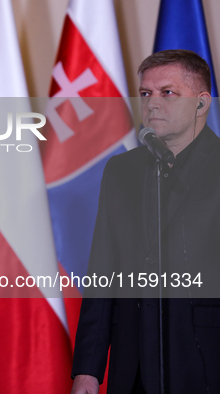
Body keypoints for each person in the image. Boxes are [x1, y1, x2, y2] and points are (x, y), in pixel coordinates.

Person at [71, 49, 220, 394]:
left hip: (203, 363)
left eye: (167, 93)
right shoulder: (121, 171)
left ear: (201, 103)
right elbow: (103, 273)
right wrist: (88, 370)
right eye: (145, 94)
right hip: (131, 366)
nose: (152, 103)